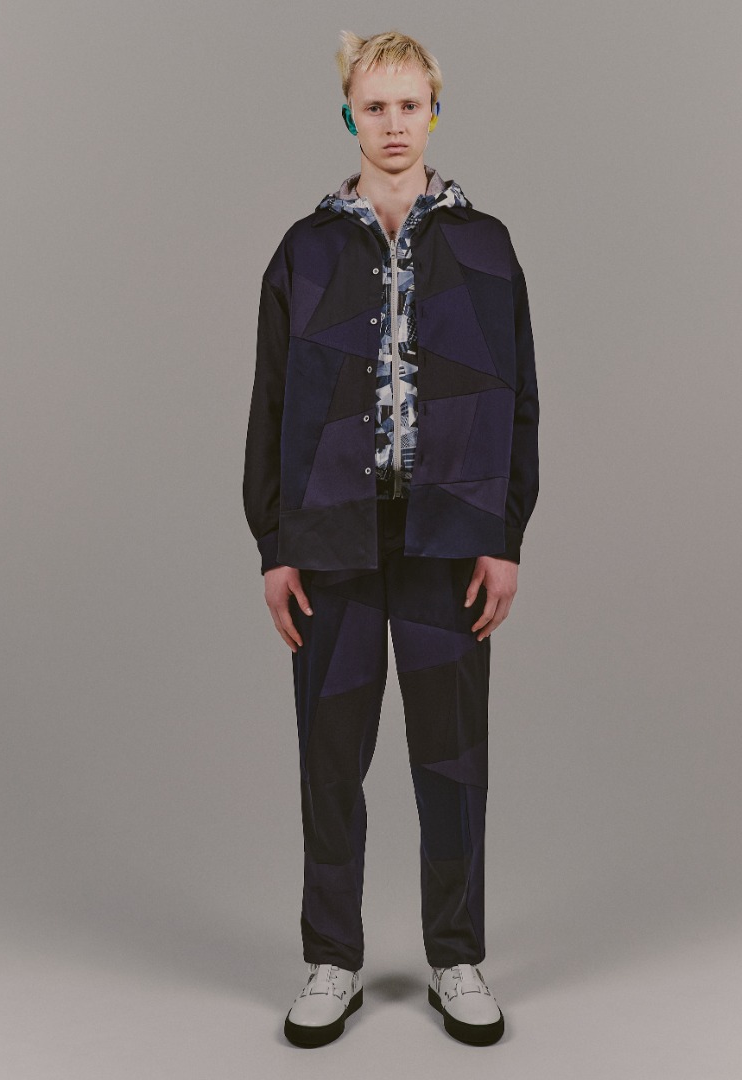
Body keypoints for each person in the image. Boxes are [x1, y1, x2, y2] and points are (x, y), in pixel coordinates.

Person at [243, 28, 539, 1048]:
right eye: (376, 106)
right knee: (331, 759)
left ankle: (457, 955)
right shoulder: (305, 251)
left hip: (449, 541)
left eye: (411, 105)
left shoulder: (485, 247)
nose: (395, 124)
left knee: (452, 760)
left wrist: (504, 534)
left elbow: (518, 398)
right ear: (349, 116)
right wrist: (274, 543)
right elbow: (270, 404)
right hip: (330, 539)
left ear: (435, 112)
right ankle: (332, 958)